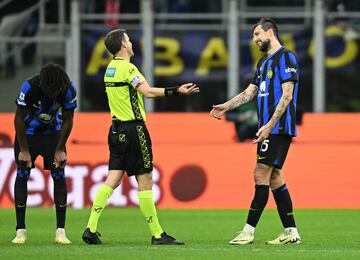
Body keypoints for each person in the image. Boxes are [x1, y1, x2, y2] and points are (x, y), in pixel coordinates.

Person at [82, 28, 199, 245]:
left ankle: (91, 227)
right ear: (123, 45)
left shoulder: (109, 69)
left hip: (115, 130)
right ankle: (157, 234)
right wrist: (177, 90)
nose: (131, 42)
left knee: (112, 179)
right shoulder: (128, 68)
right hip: (134, 130)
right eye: (128, 40)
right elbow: (147, 92)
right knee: (145, 181)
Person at [210, 18, 301, 245]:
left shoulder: (286, 58)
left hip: (278, 128)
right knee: (274, 178)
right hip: (269, 129)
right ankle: (291, 232)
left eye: (257, 34)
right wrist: (226, 106)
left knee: (260, 173)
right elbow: (248, 93)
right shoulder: (262, 63)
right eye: (253, 36)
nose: (255, 39)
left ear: (270, 33)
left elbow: (287, 95)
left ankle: (248, 231)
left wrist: (269, 126)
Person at [12, 63, 77, 244]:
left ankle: (61, 231)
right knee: (22, 176)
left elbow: (68, 120)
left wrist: (59, 149)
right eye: (50, 91)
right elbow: (18, 119)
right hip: (28, 137)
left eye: (56, 92)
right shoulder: (30, 86)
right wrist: (24, 150)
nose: (53, 94)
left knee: (59, 176)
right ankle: (20, 231)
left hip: (53, 138)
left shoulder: (68, 89)